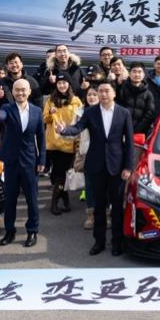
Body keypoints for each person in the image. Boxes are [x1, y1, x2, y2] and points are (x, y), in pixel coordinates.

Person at [55, 81, 134, 256]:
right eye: (100, 91)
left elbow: (129, 142)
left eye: (107, 91)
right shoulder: (90, 112)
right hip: (95, 165)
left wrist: (128, 167)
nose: (103, 94)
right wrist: (64, 130)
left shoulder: (124, 113)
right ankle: (99, 242)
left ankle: (117, 242)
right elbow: (78, 127)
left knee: (117, 207)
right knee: (98, 206)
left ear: (114, 93)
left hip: (117, 166)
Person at [0, 79, 46, 248]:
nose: (20, 93)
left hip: (30, 161)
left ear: (29, 91)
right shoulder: (6, 108)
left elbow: (41, 137)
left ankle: (32, 231)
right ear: (13, 92)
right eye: (17, 90)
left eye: (23, 90)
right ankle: (9, 231)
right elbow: (2, 117)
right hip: (11, 161)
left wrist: (42, 159)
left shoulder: (37, 111)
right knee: (10, 199)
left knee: (32, 199)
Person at [42, 75, 82, 216]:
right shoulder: (50, 100)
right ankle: (66, 202)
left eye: (64, 82)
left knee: (61, 175)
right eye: (59, 83)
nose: (62, 85)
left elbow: (79, 123)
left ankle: (54, 203)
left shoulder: (76, 101)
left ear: (69, 84)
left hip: (69, 143)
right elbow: (45, 119)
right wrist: (50, 112)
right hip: (53, 143)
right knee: (56, 175)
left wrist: (78, 143)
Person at [72, 86, 101, 230]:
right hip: (86, 153)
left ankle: (106, 214)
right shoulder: (80, 112)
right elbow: (74, 131)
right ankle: (91, 215)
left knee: (104, 186)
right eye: (89, 94)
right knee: (89, 186)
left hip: (104, 153)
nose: (92, 97)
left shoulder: (107, 111)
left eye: (95, 94)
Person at [117, 62, 157, 137]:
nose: (137, 74)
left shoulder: (148, 94)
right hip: (122, 131)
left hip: (140, 133)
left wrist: (136, 130)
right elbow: (117, 110)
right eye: (134, 71)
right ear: (129, 74)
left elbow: (149, 114)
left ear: (143, 75)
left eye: (139, 72)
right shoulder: (122, 89)